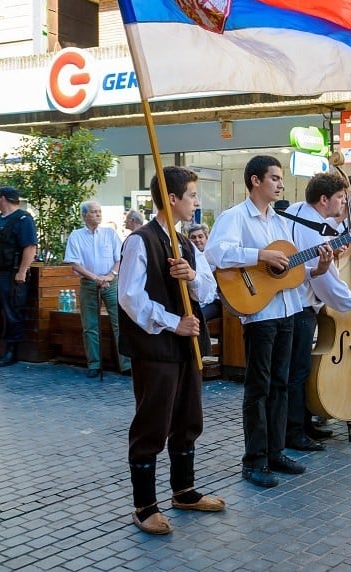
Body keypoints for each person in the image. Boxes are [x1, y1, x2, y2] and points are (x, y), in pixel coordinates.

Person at [118, 166, 225, 535]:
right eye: (192, 195)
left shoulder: (185, 244)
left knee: (187, 418)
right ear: (173, 198)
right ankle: (144, 506)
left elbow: (209, 292)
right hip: (156, 347)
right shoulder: (139, 240)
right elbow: (130, 297)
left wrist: (192, 277)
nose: (196, 201)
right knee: (153, 424)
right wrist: (172, 321)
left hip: (186, 347)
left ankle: (184, 491)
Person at [204, 155, 311, 488]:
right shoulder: (234, 217)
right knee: (259, 387)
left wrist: (318, 265)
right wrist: (259, 255)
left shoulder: (279, 221)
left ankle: (275, 452)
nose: (280, 184)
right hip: (260, 313)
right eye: (275, 178)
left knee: (281, 384)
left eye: (280, 179)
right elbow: (215, 253)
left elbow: (289, 270)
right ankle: (253, 461)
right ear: (255, 180)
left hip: (287, 310)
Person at [283, 172, 351, 451]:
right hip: (300, 306)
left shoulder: (296, 212)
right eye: (341, 196)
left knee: (295, 371)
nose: (345, 201)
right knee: (297, 372)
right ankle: (294, 432)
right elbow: (326, 283)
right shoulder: (312, 228)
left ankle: (302, 423)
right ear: (324, 199)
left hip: (293, 303)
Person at [64, 201, 131, 378]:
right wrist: (96, 278)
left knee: (119, 323)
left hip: (111, 283)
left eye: (99, 211)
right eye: (93, 212)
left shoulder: (110, 233)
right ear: (84, 216)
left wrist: (109, 276)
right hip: (89, 283)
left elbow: (119, 258)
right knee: (90, 325)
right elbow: (74, 263)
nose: (98, 214)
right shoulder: (76, 236)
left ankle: (126, 365)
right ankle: (94, 364)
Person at [0, 187, 37, 368]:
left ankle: (11, 351)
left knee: (12, 312)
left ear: (3, 199)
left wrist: (22, 271)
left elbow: (30, 247)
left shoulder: (23, 219)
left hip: (10, 274)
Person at [186, 223, 222, 322]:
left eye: (200, 236)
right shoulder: (188, 257)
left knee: (195, 319)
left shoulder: (214, 257)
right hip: (195, 301)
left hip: (214, 302)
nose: (197, 240)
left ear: (206, 238)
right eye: (193, 237)